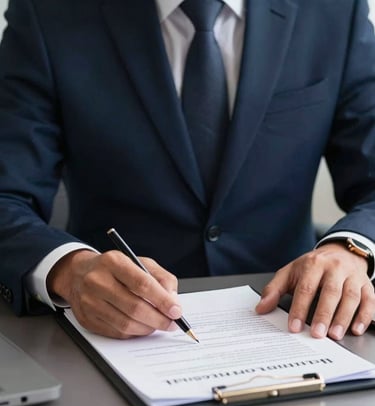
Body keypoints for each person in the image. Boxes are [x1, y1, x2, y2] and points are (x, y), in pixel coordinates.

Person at [0, 0, 375, 342]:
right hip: (114, 338)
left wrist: (351, 249)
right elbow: (6, 196)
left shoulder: (334, 10)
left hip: (297, 328)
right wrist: (70, 271)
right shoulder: (47, 13)